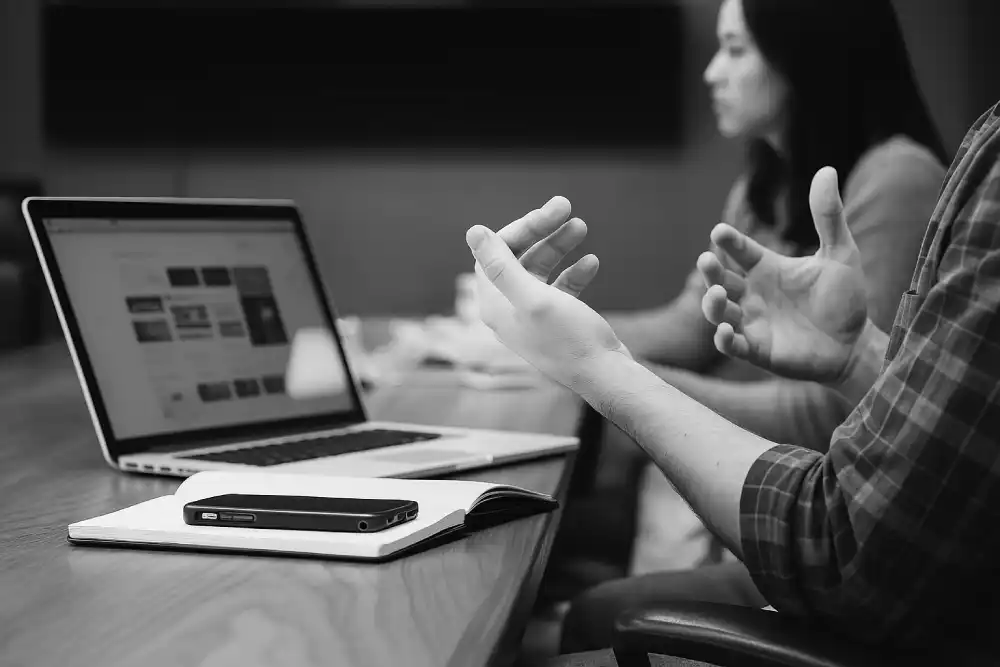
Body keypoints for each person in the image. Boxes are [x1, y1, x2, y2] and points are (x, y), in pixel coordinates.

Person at [463, 94, 1000, 664]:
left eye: (735, 47)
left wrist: (596, 366)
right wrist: (859, 358)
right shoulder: (767, 179)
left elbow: (844, 548)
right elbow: (949, 438)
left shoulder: (919, 173)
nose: (712, 72)